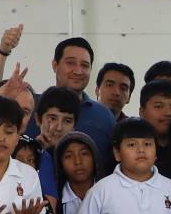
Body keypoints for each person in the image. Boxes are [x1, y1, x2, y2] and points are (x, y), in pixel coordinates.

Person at [41, 36, 117, 165]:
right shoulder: (33, 106)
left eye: (85, 65)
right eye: (70, 63)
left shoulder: (104, 116)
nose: (78, 71)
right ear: (55, 65)